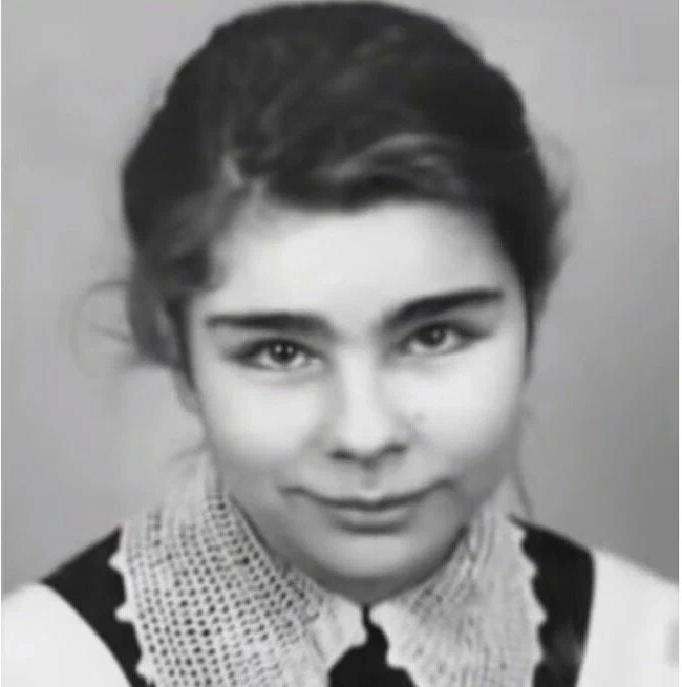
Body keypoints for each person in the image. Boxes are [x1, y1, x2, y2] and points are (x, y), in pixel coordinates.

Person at [2, 2, 677, 685]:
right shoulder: (37, 664)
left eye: (434, 336)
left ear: (528, 319)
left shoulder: (648, 649)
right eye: (280, 352)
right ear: (179, 355)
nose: (365, 435)